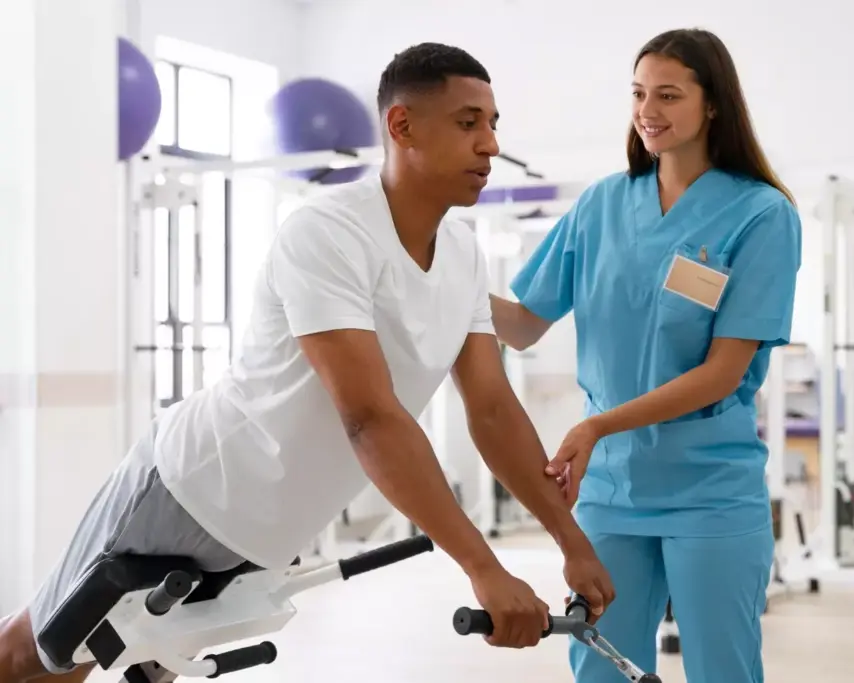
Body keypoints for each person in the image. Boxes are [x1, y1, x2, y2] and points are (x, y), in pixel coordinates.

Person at [0, 42, 615, 683]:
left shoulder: (462, 252)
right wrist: (483, 567)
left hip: (268, 537)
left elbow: (492, 409)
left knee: (123, 666)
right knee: (35, 655)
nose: (489, 143)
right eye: (468, 123)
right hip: (194, 489)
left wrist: (571, 544)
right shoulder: (330, 231)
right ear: (402, 125)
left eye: (492, 123)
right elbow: (370, 417)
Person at [489, 28, 801, 683]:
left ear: (712, 104)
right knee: (602, 669)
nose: (647, 110)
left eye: (668, 95)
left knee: (722, 671)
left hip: (710, 486)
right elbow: (521, 326)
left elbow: (722, 373)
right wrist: (432, 274)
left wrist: (597, 425)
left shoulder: (761, 214)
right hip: (611, 488)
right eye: (637, 93)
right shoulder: (602, 204)